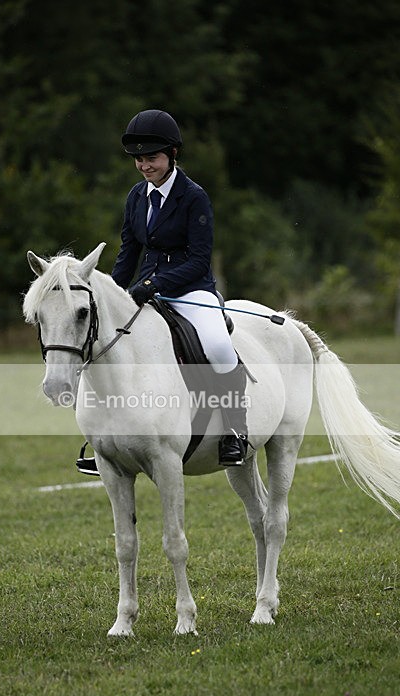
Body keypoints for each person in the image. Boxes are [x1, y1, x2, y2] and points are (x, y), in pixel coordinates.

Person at [111, 109, 248, 466]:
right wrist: (113, 294)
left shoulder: (193, 196)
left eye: (151, 158)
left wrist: (155, 284)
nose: (144, 166)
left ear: (172, 154)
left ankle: (235, 429)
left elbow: (199, 260)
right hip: (144, 290)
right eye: (139, 159)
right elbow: (128, 252)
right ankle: (109, 439)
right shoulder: (136, 197)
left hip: (190, 290)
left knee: (218, 346)